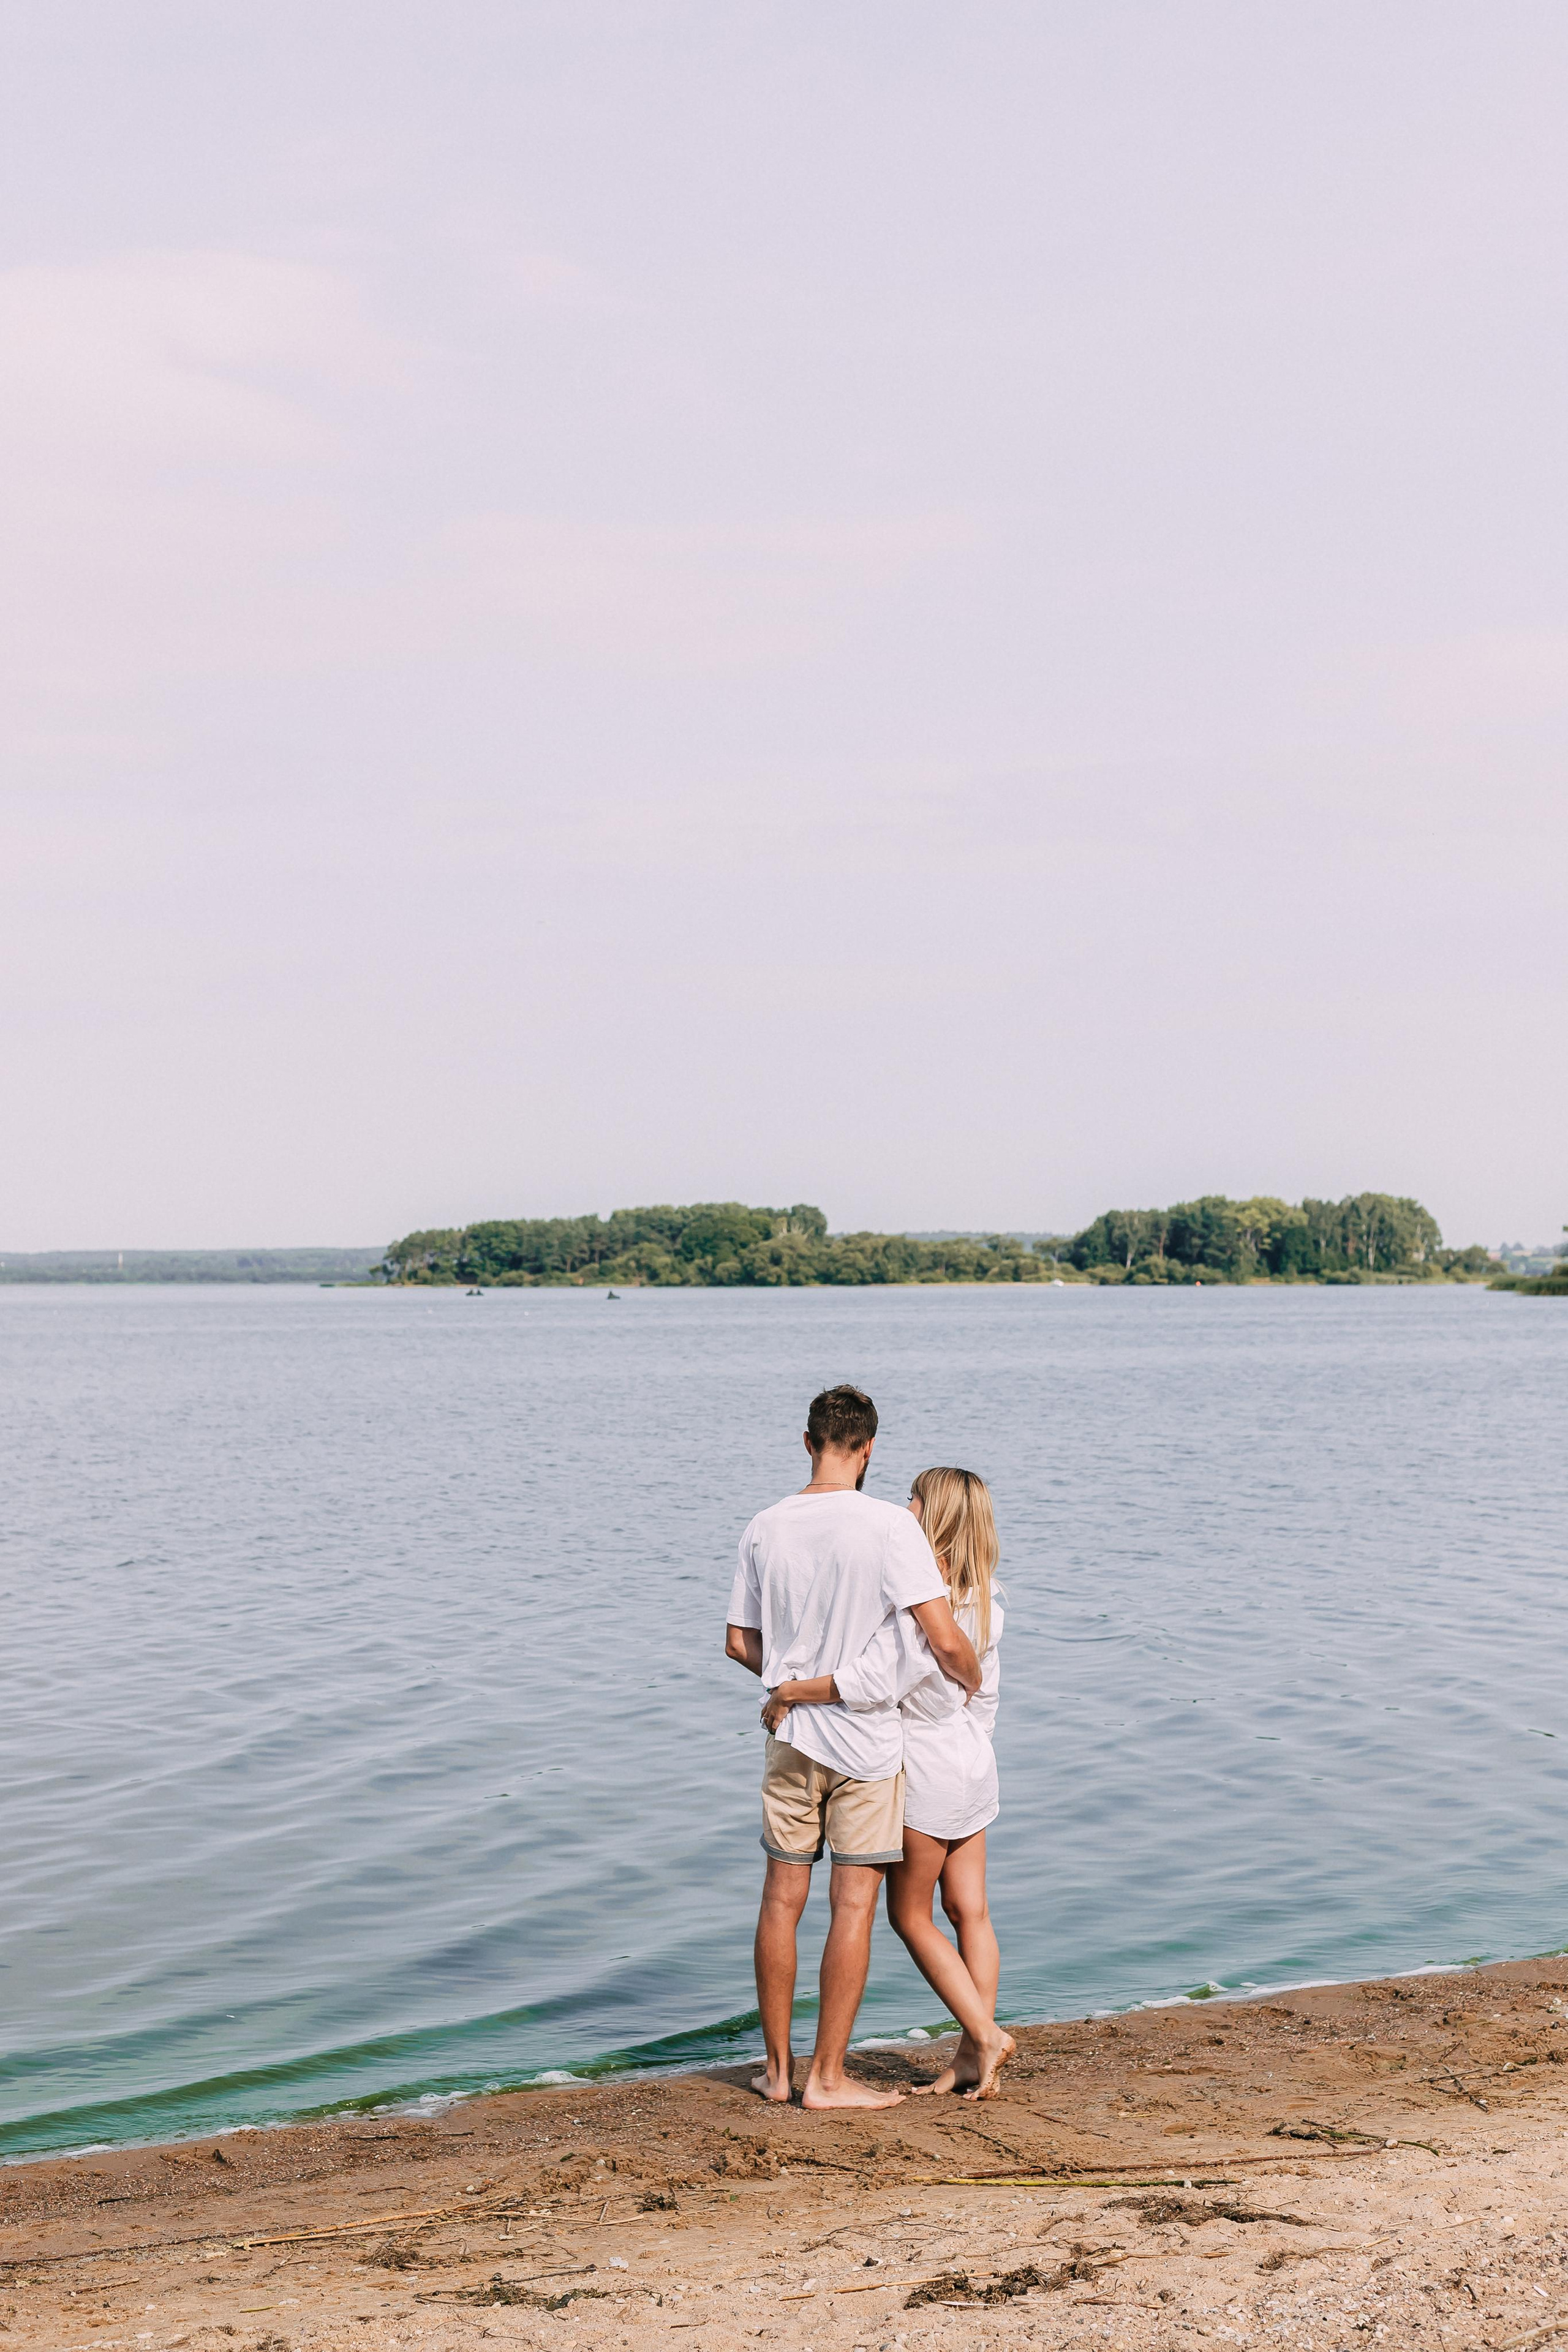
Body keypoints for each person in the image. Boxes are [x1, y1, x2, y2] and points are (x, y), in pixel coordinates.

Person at [726, 1385, 981, 2109]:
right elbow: (940, 1636)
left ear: (806, 1442)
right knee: (853, 1908)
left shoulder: (764, 1526)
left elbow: (739, 1643)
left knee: (780, 1900)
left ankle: (776, 2075)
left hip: (790, 1739)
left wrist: (788, 1684)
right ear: (868, 1449)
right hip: (867, 1749)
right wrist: (970, 1681)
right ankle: (827, 2079)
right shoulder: (889, 1529)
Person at [766, 1463, 1014, 2100]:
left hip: (927, 1766)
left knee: (909, 1915)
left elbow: (876, 1684)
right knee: (971, 1911)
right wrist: (971, 1750)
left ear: (932, 1517)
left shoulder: (917, 1607)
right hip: (972, 1758)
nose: (903, 1507)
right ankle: (968, 2057)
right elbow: (983, 1699)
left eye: (912, 1499)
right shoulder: (990, 1600)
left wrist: (792, 1688)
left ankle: (984, 2035)